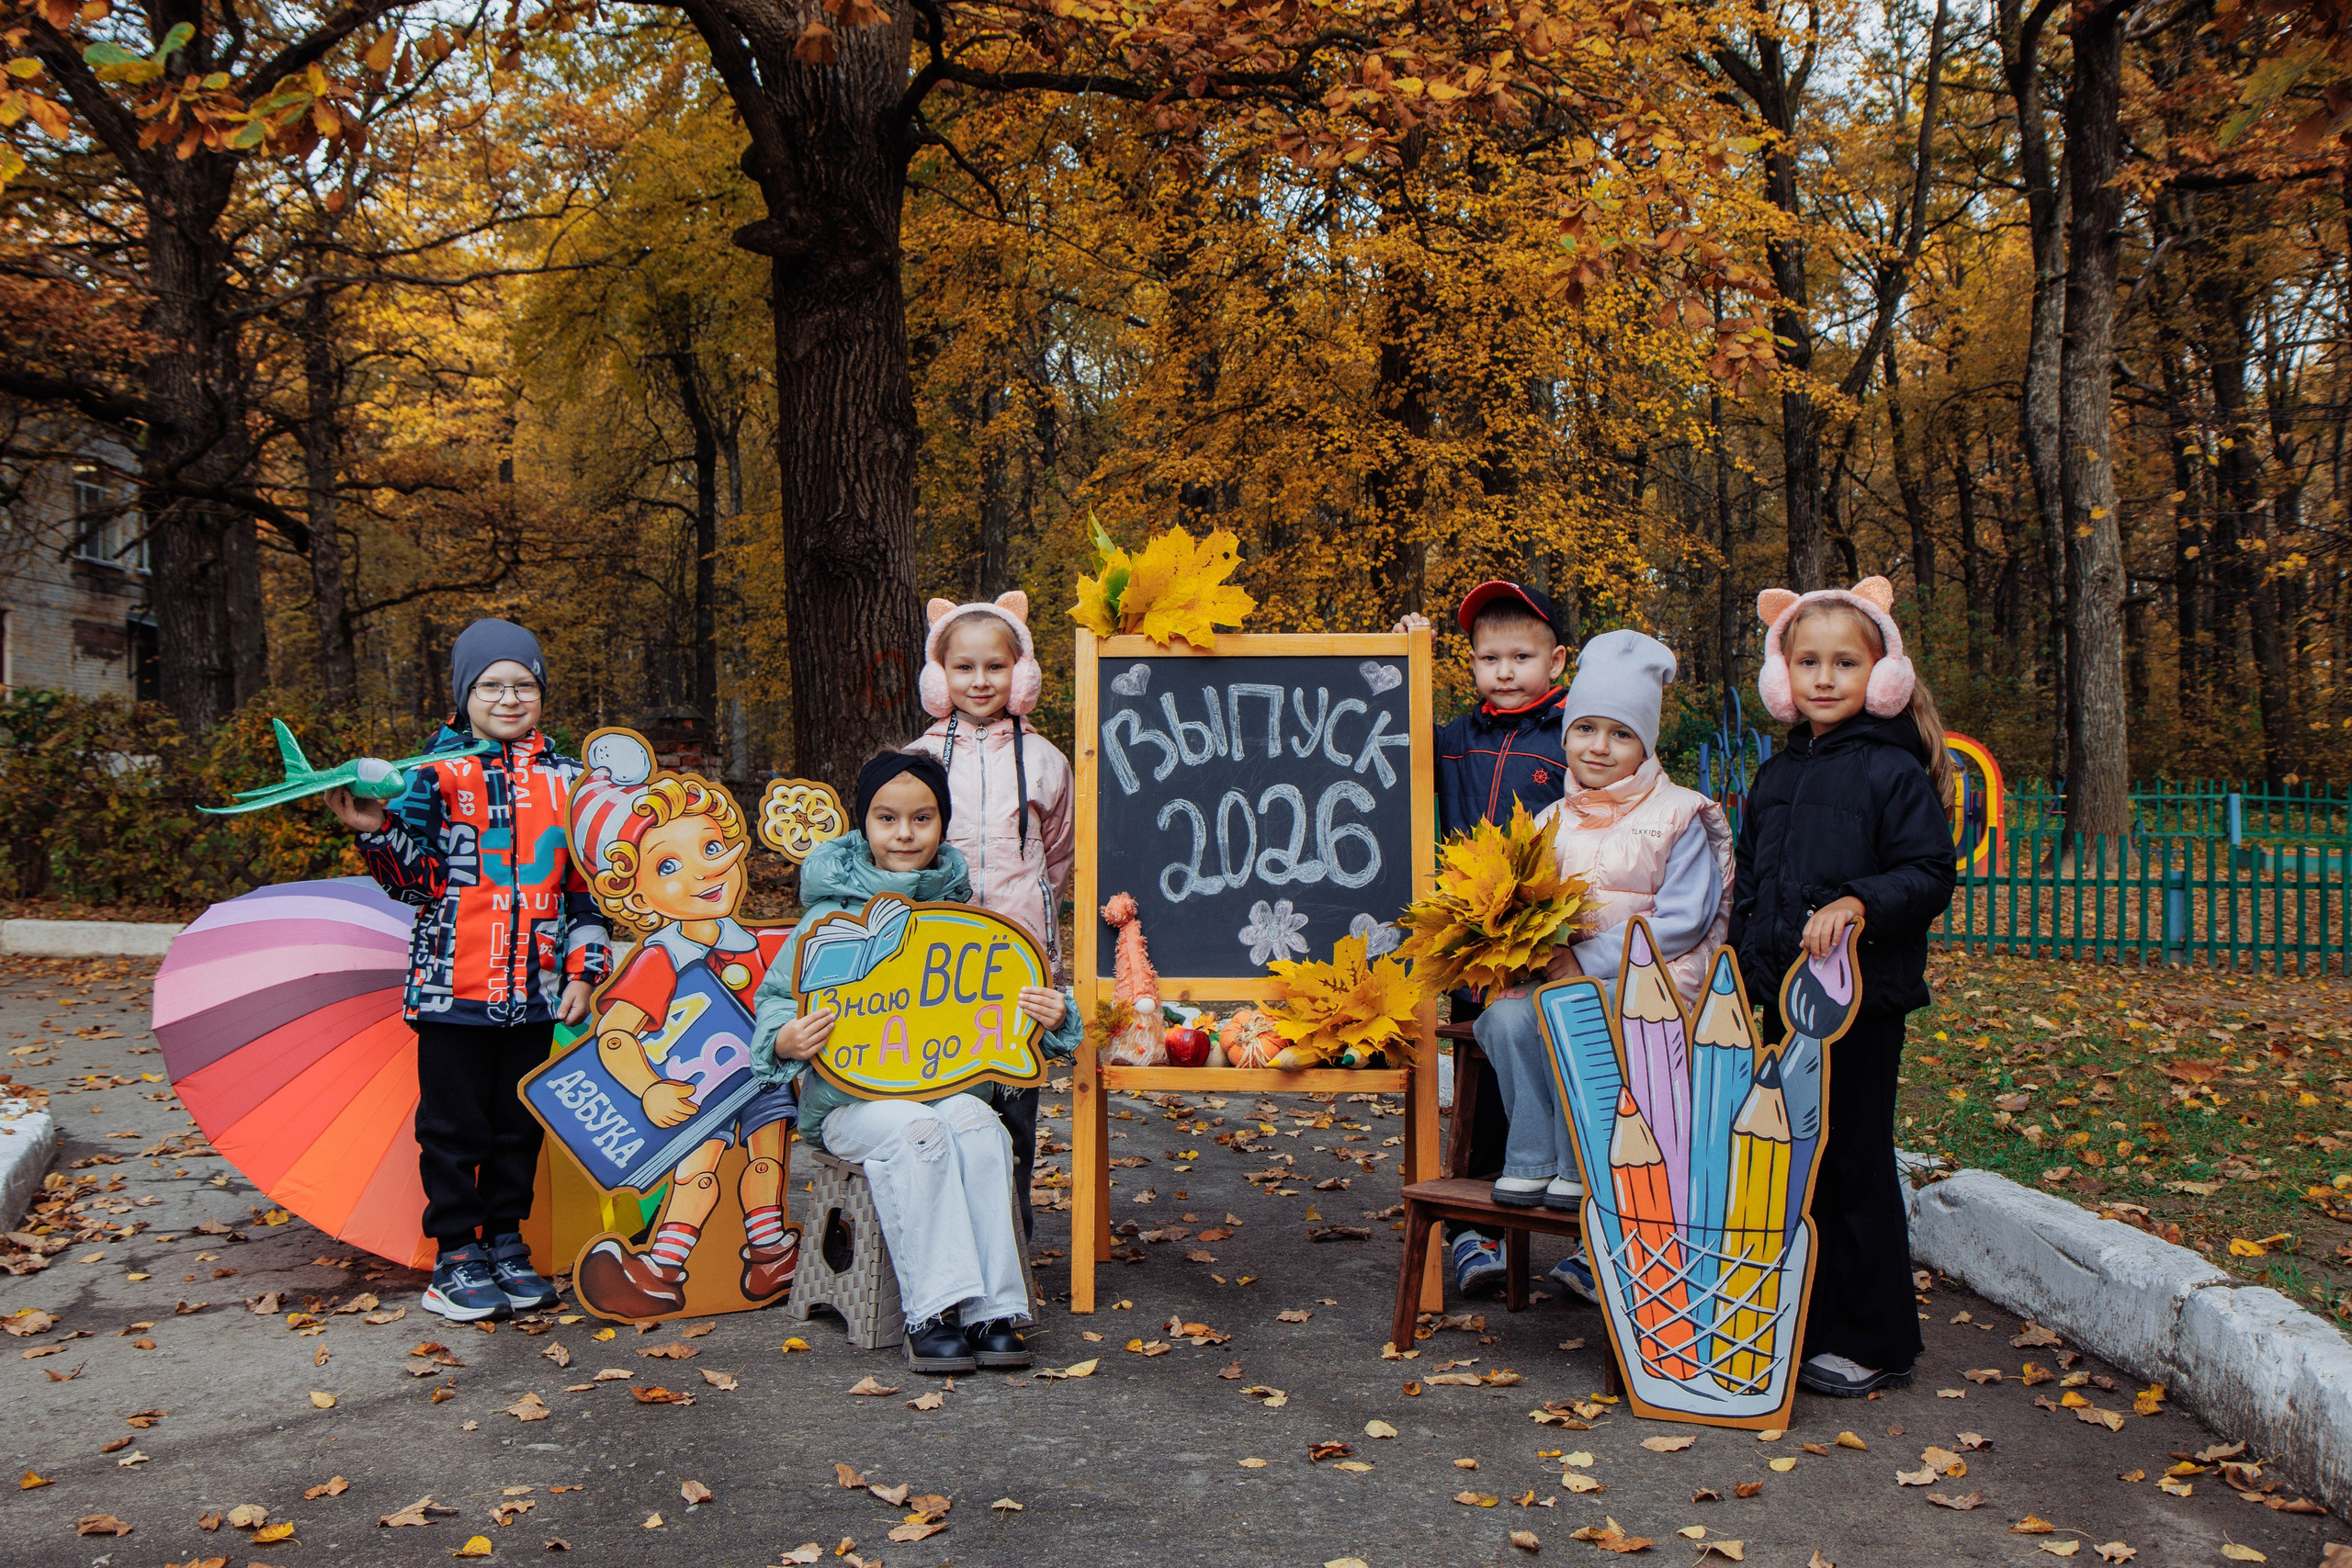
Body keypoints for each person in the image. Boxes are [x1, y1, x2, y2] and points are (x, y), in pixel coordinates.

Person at [748, 752, 1083, 1375]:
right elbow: (774, 1002)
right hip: (852, 1105)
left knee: (981, 1128)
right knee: (918, 1131)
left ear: (941, 825)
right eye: (887, 817)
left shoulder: (964, 920)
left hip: (944, 1088)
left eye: (922, 817)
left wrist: (1052, 1014)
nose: (905, 833)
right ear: (864, 824)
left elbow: (1006, 995)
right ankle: (930, 1312)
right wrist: (787, 1039)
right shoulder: (831, 918)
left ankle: (992, 1309)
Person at [325, 618, 609, 1323]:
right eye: (492, 685)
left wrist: (584, 970)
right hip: (453, 989)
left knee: (518, 1125)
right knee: (454, 1127)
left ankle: (506, 1242)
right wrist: (377, 830)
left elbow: (585, 889)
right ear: (464, 694)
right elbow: (415, 882)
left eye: (524, 684)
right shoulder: (431, 774)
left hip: (539, 994)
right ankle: (456, 1252)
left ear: (541, 691)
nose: (509, 698)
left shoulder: (572, 783)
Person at [1732, 577, 1957, 1397]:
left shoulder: (1892, 773)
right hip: (1778, 1002)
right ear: (1781, 674)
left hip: (1861, 1003)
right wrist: (1740, 972)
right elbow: (1751, 887)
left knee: (1852, 1158)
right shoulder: (1775, 778)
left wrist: (1861, 901)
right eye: (1808, 662)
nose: (1824, 678)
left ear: (1882, 674)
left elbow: (1930, 873)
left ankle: (1873, 1339)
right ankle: (1810, 1320)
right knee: (1793, 1162)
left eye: (1844, 662)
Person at [1465, 629, 1733, 1304]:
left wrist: (1579, 959)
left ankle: (1582, 1169)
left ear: (1646, 744)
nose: (1597, 746)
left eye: (1619, 733)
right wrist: (1506, 953)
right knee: (1503, 1018)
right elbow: (1526, 908)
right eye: (1584, 727)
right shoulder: (1551, 819)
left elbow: (1684, 921)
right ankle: (1531, 1159)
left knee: (1571, 1017)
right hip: (1563, 981)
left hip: (1654, 988)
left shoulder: (1681, 814)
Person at [561, 740, 799, 1318]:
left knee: (767, 1160)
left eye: (712, 848)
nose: (703, 871)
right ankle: (660, 1270)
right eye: (669, 865)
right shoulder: (661, 960)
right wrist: (650, 1089)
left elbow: (813, 968)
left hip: (760, 1076)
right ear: (633, 892)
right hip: (694, 1089)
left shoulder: (762, 942)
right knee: (695, 1175)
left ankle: (771, 1254)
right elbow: (614, 1035)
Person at [1397, 581, 1572, 1300]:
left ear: (1556, 661)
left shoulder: (1572, 735)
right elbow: (1394, 736)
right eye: (1487, 657)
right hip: (1475, 943)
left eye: (1521, 656)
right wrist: (1405, 656)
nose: (1503, 671)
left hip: (1548, 944)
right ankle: (1481, 1232)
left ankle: (1571, 1219)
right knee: (1484, 1079)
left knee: (1549, 1071)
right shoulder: (1459, 738)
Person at [903, 592, 1074, 1239]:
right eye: (964, 667)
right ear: (938, 676)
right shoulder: (916, 760)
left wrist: (1032, 917)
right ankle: (942, 1242)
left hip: (1017, 966)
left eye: (995, 667)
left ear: (1021, 673)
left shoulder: (1048, 760)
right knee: (939, 1099)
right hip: (933, 962)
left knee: (1012, 1107)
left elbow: (1058, 856)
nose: (980, 681)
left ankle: (1011, 1242)